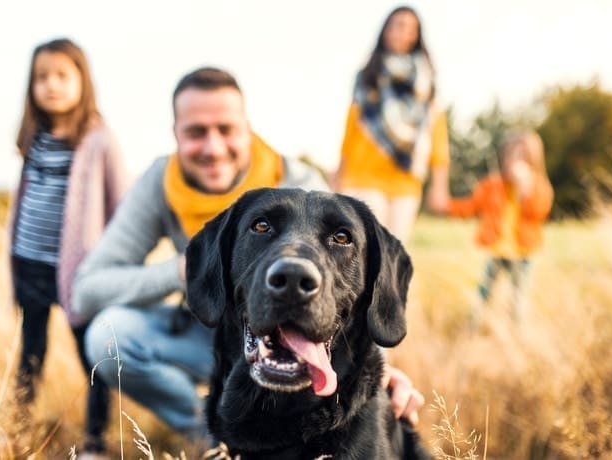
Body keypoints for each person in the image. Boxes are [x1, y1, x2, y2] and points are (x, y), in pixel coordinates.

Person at [72, 67, 425, 448]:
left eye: (226, 129)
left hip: (305, 329)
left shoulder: (301, 183)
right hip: (210, 324)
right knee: (108, 336)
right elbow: (87, 290)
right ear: (175, 134)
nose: (213, 147)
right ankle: (217, 436)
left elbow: (349, 281)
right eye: (196, 132)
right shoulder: (161, 183)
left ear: (247, 128)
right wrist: (186, 271)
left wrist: (381, 371)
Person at [9, 38, 130, 457]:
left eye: (62, 75)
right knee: (31, 353)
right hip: (30, 263)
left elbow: (123, 207)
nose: (51, 85)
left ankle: (96, 440)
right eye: (42, 77)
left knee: (93, 354)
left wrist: (114, 264)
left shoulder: (98, 139)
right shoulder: (34, 138)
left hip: (80, 272)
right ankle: (16, 428)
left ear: (83, 80)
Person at [334, 5, 450, 241]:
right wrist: (337, 175)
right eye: (397, 25)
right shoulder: (368, 76)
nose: (402, 32)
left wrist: (440, 185)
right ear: (385, 30)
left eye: (410, 28)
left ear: (416, 36)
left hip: (406, 182)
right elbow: (351, 129)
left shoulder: (427, 83)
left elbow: (437, 134)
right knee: (366, 247)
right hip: (363, 176)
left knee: (395, 253)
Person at [442, 129, 553, 323]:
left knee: (518, 296)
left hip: (523, 252)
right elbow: (471, 206)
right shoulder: (492, 185)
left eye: (523, 156)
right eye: (512, 155)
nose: (516, 161)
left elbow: (539, 212)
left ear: (534, 160)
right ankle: (472, 326)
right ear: (504, 158)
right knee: (484, 291)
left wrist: (525, 189)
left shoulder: (539, 186)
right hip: (497, 250)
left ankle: (518, 330)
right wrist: (446, 206)